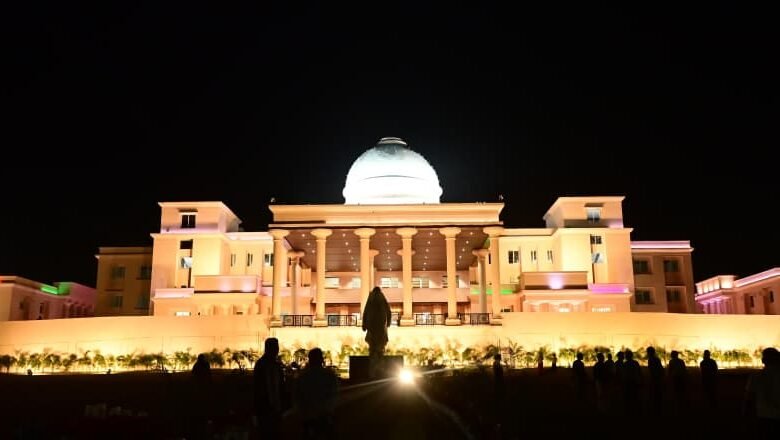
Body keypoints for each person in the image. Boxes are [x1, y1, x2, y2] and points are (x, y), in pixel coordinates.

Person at [295, 348, 339, 439]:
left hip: (308, 417)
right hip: (324, 416)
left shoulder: (303, 376)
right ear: (321, 359)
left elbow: (297, 397)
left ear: (310, 359)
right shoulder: (329, 375)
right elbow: (334, 394)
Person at [744, 347, 780, 438]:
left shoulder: (755, 376)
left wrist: (746, 414)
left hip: (763, 415)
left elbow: (749, 397)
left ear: (763, 360)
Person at [255, 337, 285, 439]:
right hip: (265, 407)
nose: (277, 350)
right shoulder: (262, 365)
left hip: (274, 407)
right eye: (275, 347)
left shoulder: (276, 365)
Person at [362, 287, 392, 378]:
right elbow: (388, 311)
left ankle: (374, 369)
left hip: (375, 327)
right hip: (378, 327)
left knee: (375, 347)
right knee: (378, 347)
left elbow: (365, 312)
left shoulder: (371, 298)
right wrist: (388, 322)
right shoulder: (381, 298)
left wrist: (364, 325)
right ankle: (377, 366)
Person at [646, 346, 664, 414]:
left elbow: (651, 370)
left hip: (655, 378)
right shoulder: (657, 359)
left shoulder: (651, 360)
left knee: (654, 393)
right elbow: (660, 368)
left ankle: (655, 407)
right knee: (657, 393)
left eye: (648, 352)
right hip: (658, 378)